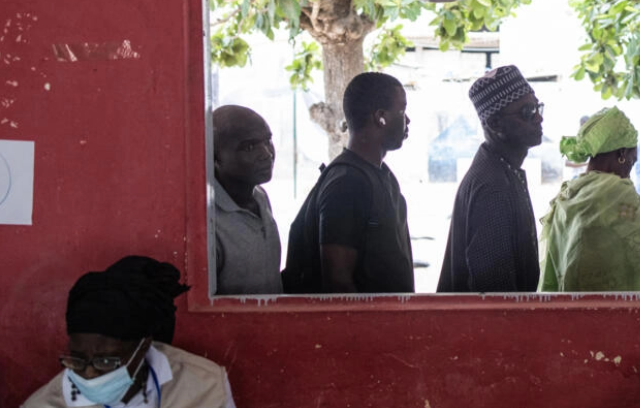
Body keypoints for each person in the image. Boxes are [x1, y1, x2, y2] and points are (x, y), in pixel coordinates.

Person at [22, 256, 236, 408]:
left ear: (142, 346)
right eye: (77, 360)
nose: (89, 374)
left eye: (105, 361)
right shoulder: (46, 404)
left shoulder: (205, 384)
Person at [282, 72, 413, 294]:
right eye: (402, 111)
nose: (407, 120)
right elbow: (337, 282)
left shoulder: (380, 174)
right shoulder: (347, 183)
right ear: (380, 117)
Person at [539, 107, 640, 292]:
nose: (629, 173)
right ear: (622, 154)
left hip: (569, 308)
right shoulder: (616, 192)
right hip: (607, 311)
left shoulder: (569, 193)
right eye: (632, 161)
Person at [437, 65, 543, 293]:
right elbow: (495, 297)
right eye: (527, 111)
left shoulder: (501, 170)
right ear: (495, 124)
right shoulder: (492, 187)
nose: (538, 118)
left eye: (537, 107)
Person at [210, 105, 283, 295]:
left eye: (268, 141)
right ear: (216, 157)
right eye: (249, 147)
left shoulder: (260, 197)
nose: (267, 154)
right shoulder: (209, 221)